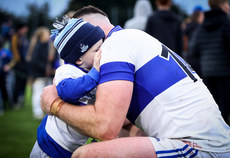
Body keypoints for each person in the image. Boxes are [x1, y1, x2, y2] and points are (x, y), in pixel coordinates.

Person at [41, 5, 230, 158]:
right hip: (215, 141)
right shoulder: (135, 38)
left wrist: (55, 105)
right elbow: (118, 128)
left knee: (86, 155)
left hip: (199, 146)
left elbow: (105, 127)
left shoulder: (114, 45)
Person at [30, 17, 105, 158]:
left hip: (71, 146)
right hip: (51, 144)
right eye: (97, 50)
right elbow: (67, 92)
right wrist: (94, 74)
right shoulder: (66, 71)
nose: (101, 53)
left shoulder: (91, 73)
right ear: (78, 59)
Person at [188, 0, 230, 125]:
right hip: (225, 71)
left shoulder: (203, 25)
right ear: (222, 5)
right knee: (225, 106)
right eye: (227, 4)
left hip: (208, 71)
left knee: (214, 107)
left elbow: (194, 48)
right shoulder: (226, 23)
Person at [26, 27, 57, 119]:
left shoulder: (47, 45)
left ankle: (45, 111)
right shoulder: (38, 46)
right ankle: (37, 113)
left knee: (46, 93)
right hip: (38, 74)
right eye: (47, 34)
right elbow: (34, 61)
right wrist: (45, 68)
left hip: (45, 75)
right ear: (42, 35)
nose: (49, 35)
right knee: (38, 93)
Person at [4, 22, 29, 108]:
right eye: (24, 28)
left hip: (23, 64)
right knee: (17, 84)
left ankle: (20, 100)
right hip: (18, 64)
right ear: (20, 29)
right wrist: (15, 62)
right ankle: (15, 102)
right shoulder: (15, 37)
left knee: (23, 83)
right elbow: (14, 51)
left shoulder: (23, 37)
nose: (26, 30)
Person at [183, 6, 204, 76]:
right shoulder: (200, 27)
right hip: (197, 57)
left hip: (189, 55)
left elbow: (184, 39)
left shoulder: (188, 25)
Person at [0, 35, 12, 114]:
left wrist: (9, 66)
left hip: (5, 75)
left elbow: (13, 60)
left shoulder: (5, 51)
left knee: (6, 90)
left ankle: (8, 104)